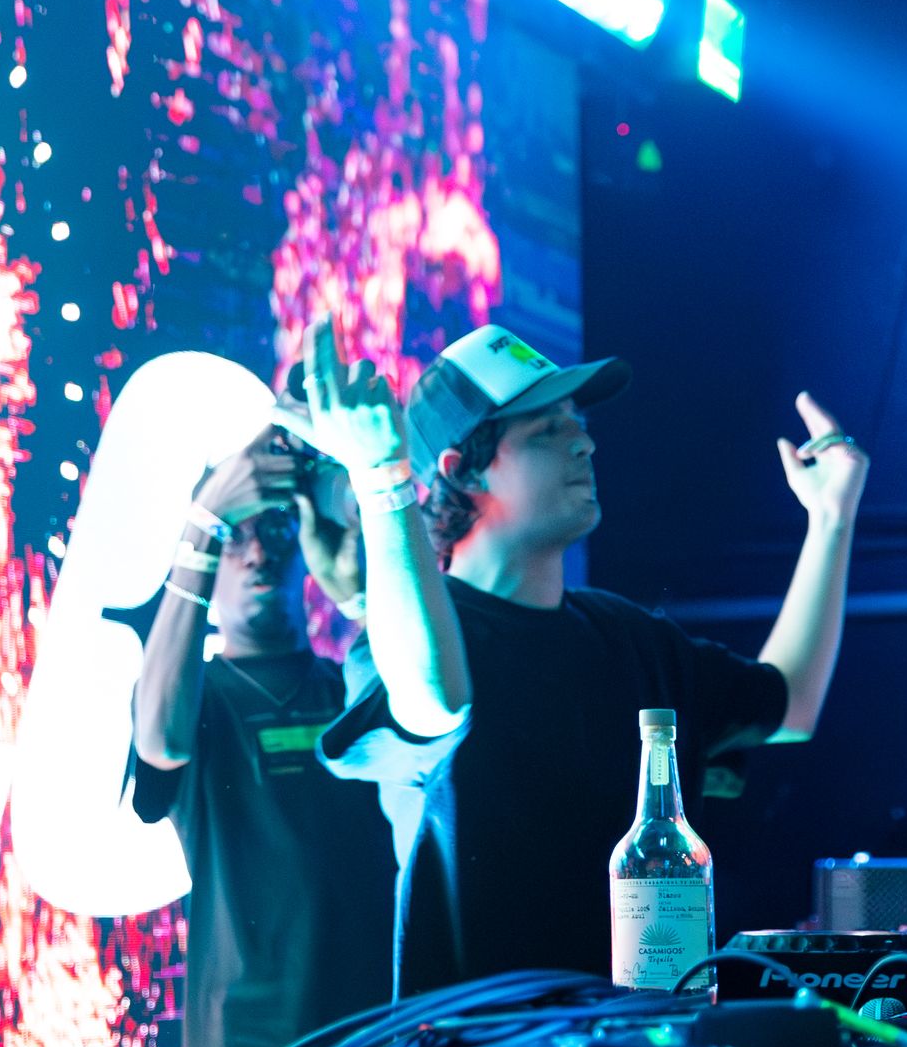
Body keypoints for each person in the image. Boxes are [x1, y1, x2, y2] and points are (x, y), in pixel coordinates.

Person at [317, 324, 869, 994]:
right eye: (547, 429)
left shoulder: (629, 637)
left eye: (577, 423)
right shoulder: (404, 644)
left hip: (643, 1046)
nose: (584, 442)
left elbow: (790, 704)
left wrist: (831, 519)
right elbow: (435, 699)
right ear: (461, 469)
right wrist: (383, 481)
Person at [132, 331, 469, 1047]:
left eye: (277, 532)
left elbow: (432, 715)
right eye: (239, 539)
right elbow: (159, 743)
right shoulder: (198, 695)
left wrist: (356, 587)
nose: (260, 555)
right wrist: (203, 525)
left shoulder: (342, 683)